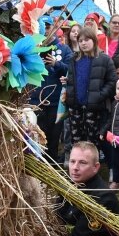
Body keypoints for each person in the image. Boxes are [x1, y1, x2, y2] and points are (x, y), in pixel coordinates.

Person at [63, 27, 117, 150]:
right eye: (80, 40)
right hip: (75, 107)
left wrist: (99, 95)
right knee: (76, 142)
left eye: (87, 40)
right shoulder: (73, 59)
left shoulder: (104, 59)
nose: (83, 43)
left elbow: (113, 81)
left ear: (94, 40)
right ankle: (77, 168)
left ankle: (92, 168)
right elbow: (74, 80)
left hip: (94, 108)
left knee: (92, 143)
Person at [29, 16, 72, 163]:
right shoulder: (32, 49)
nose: (46, 30)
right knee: (37, 139)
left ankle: (53, 171)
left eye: (48, 27)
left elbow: (71, 70)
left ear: (54, 28)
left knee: (53, 141)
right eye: (43, 27)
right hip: (36, 102)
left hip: (56, 103)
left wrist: (56, 64)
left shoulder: (64, 49)